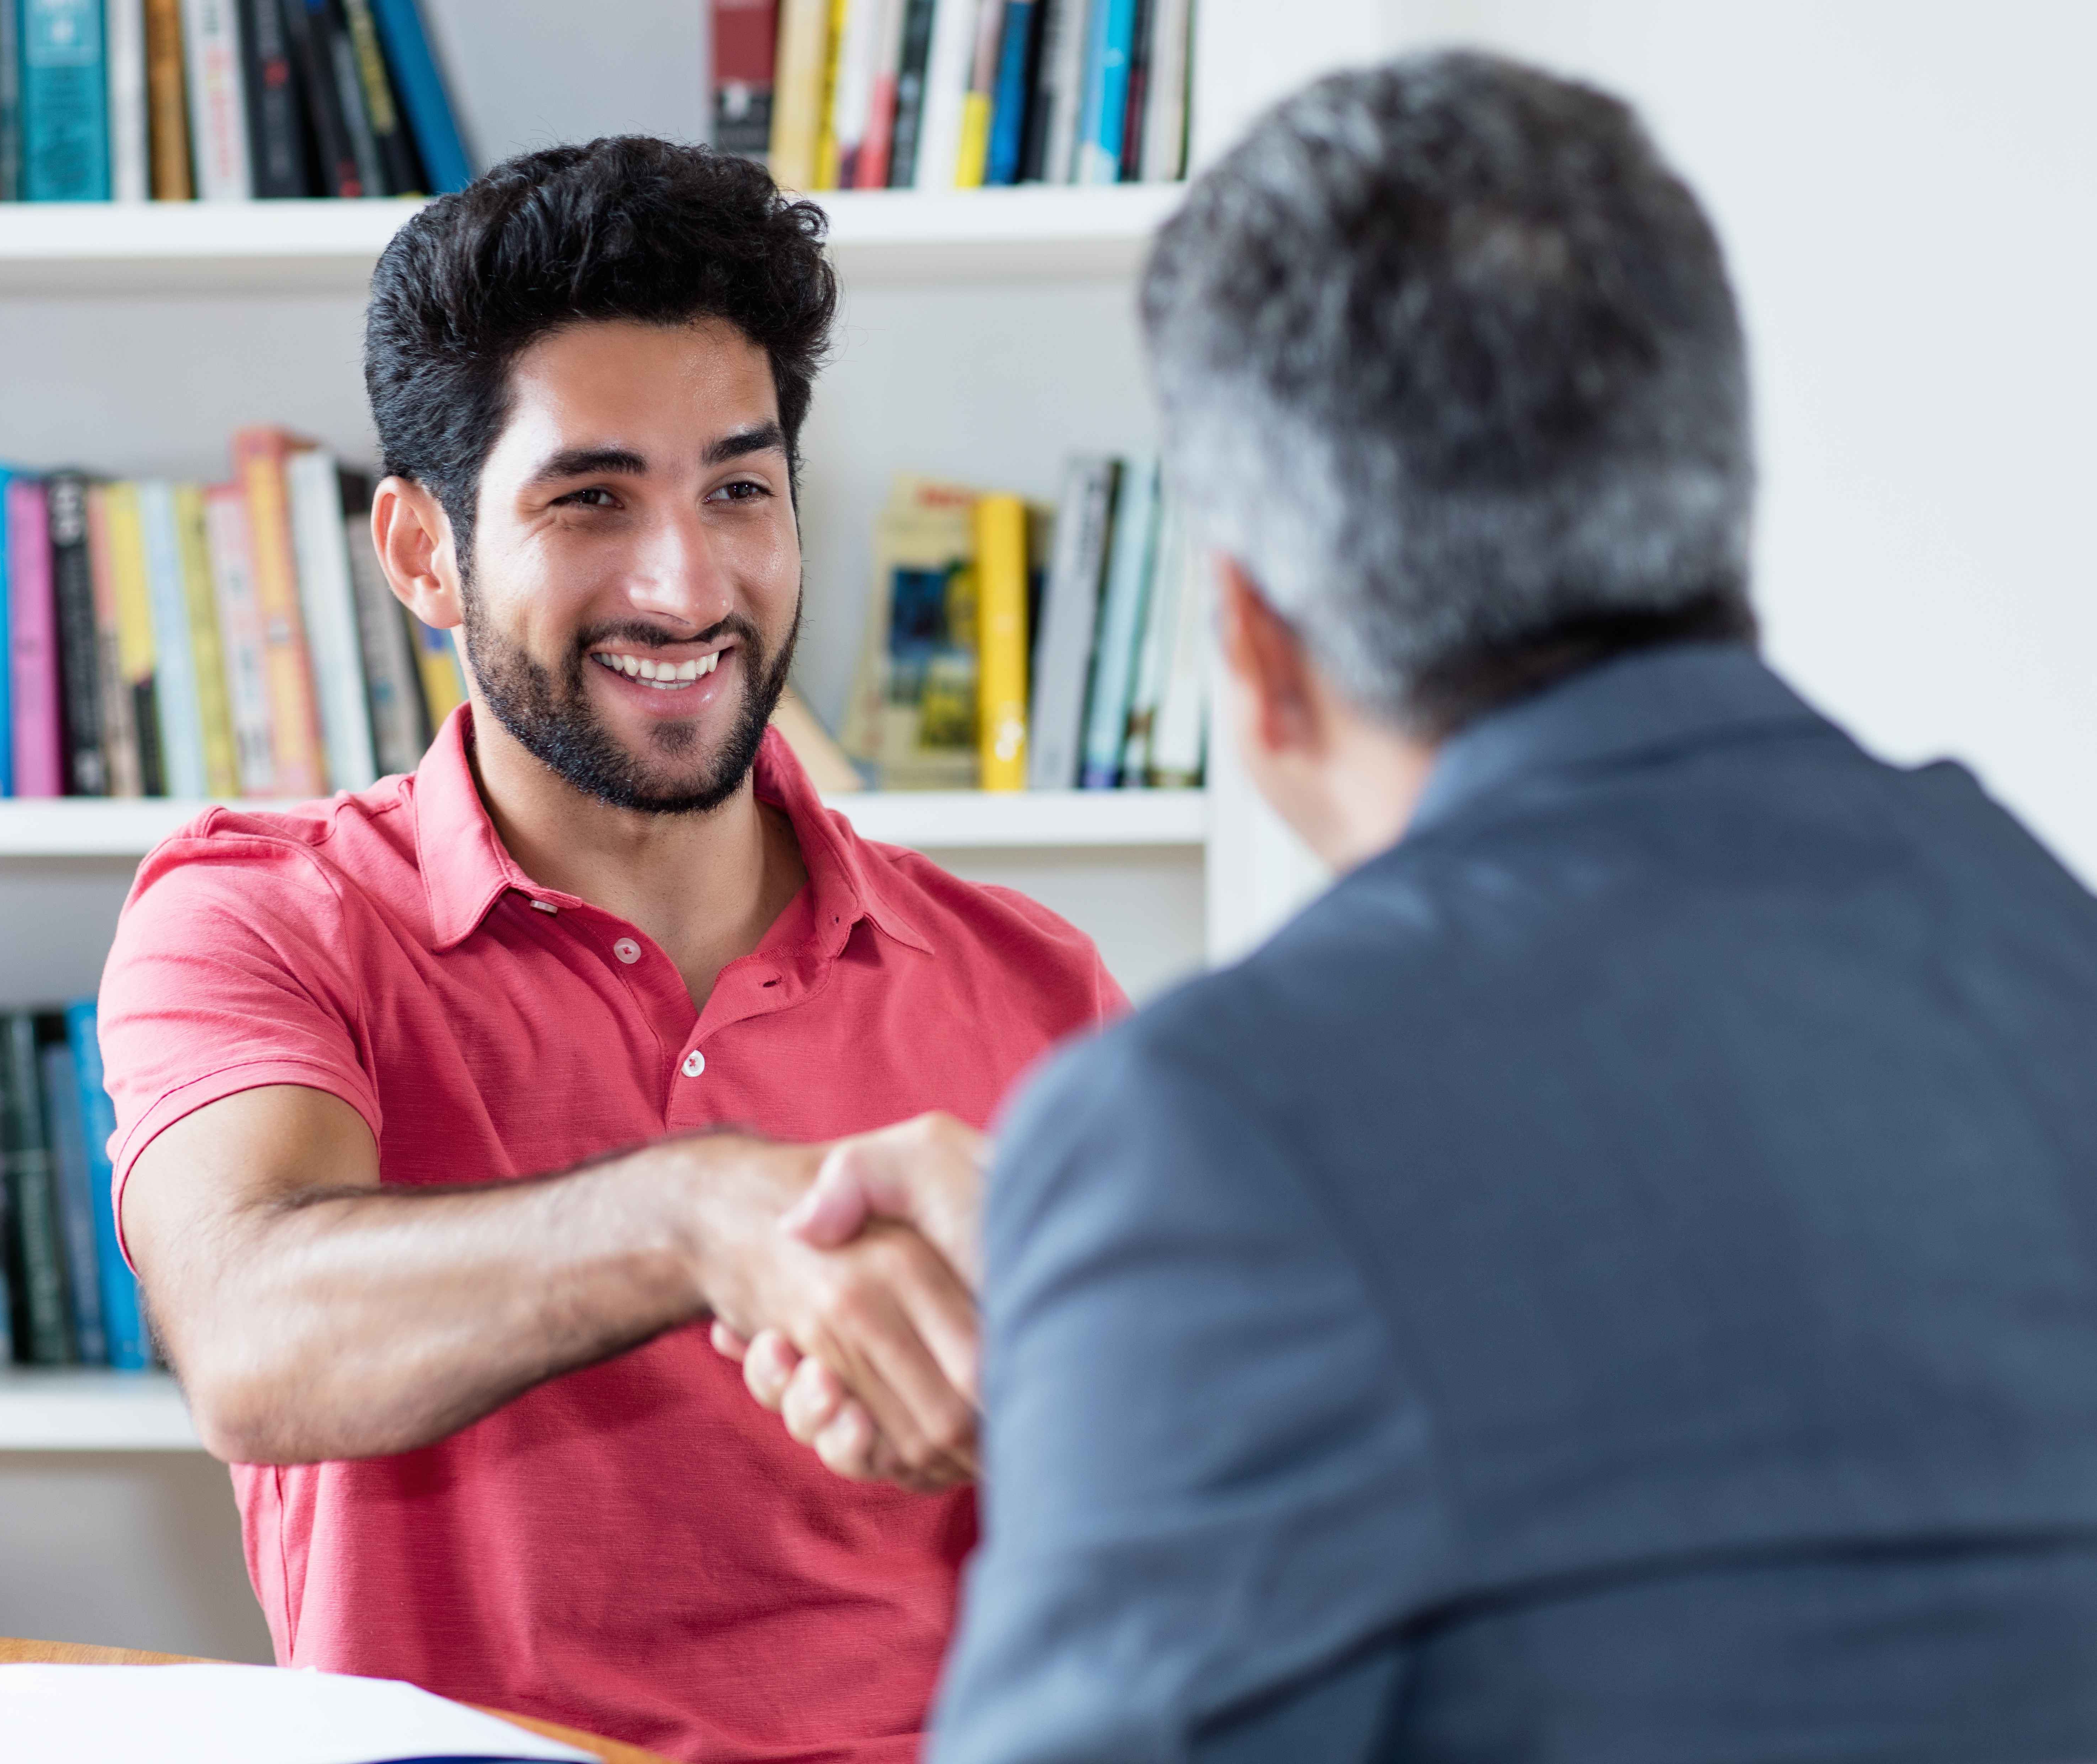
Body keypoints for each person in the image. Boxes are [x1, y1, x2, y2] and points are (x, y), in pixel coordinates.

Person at [752, 50, 2097, 1763]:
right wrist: (1121, 1362)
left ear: (1253, 644)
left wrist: (1150, 1303)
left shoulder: (1212, 1134)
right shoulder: (2052, 951)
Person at [95, 136, 1121, 1764]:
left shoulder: (1035, 986)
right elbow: (246, 1338)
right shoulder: (262, 918)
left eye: (740, 490)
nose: (685, 584)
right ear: (422, 554)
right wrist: (701, 1214)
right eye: (591, 499)